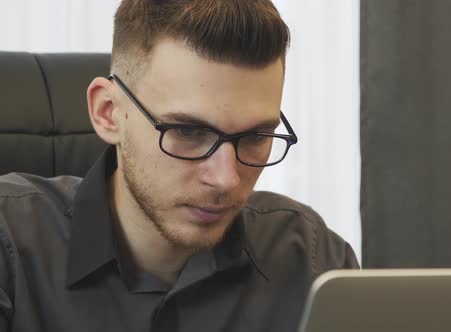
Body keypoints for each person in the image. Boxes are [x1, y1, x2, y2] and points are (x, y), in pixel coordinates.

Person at [0, 0, 359, 331]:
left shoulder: (313, 259)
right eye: (188, 131)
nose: (225, 179)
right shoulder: (9, 246)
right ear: (108, 112)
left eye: (254, 137)